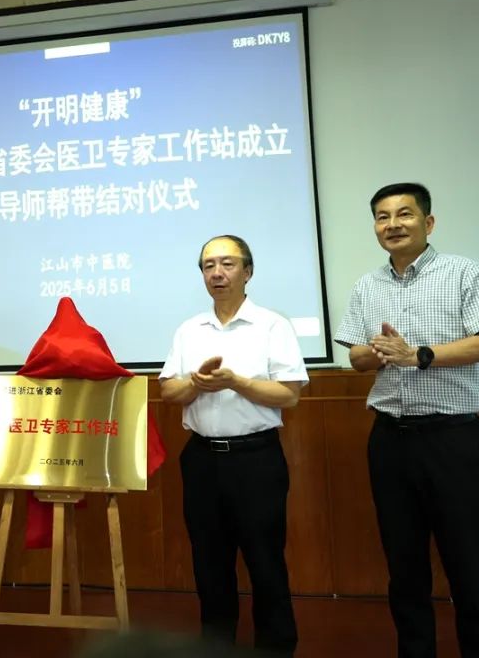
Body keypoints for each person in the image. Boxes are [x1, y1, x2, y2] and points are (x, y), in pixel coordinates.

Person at [334, 182, 479, 658]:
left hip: (452, 439)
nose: (393, 225)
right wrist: (379, 351)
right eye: (382, 217)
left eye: (404, 214)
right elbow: (355, 357)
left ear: (428, 222)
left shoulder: (463, 273)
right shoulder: (366, 286)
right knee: (404, 567)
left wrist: (419, 355)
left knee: (467, 564)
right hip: (390, 440)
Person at [159, 235, 308, 657]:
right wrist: (196, 383)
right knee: (209, 565)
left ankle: (275, 649)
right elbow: (169, 392)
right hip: (202, 460)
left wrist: (236, 382)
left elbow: (289, 395)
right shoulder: (189, 329)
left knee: (265, 563)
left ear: (248, 271)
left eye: (227, 264)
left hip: (255, 459)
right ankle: (216, 647)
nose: (217, 273)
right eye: (208, 266)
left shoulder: (272, 325)